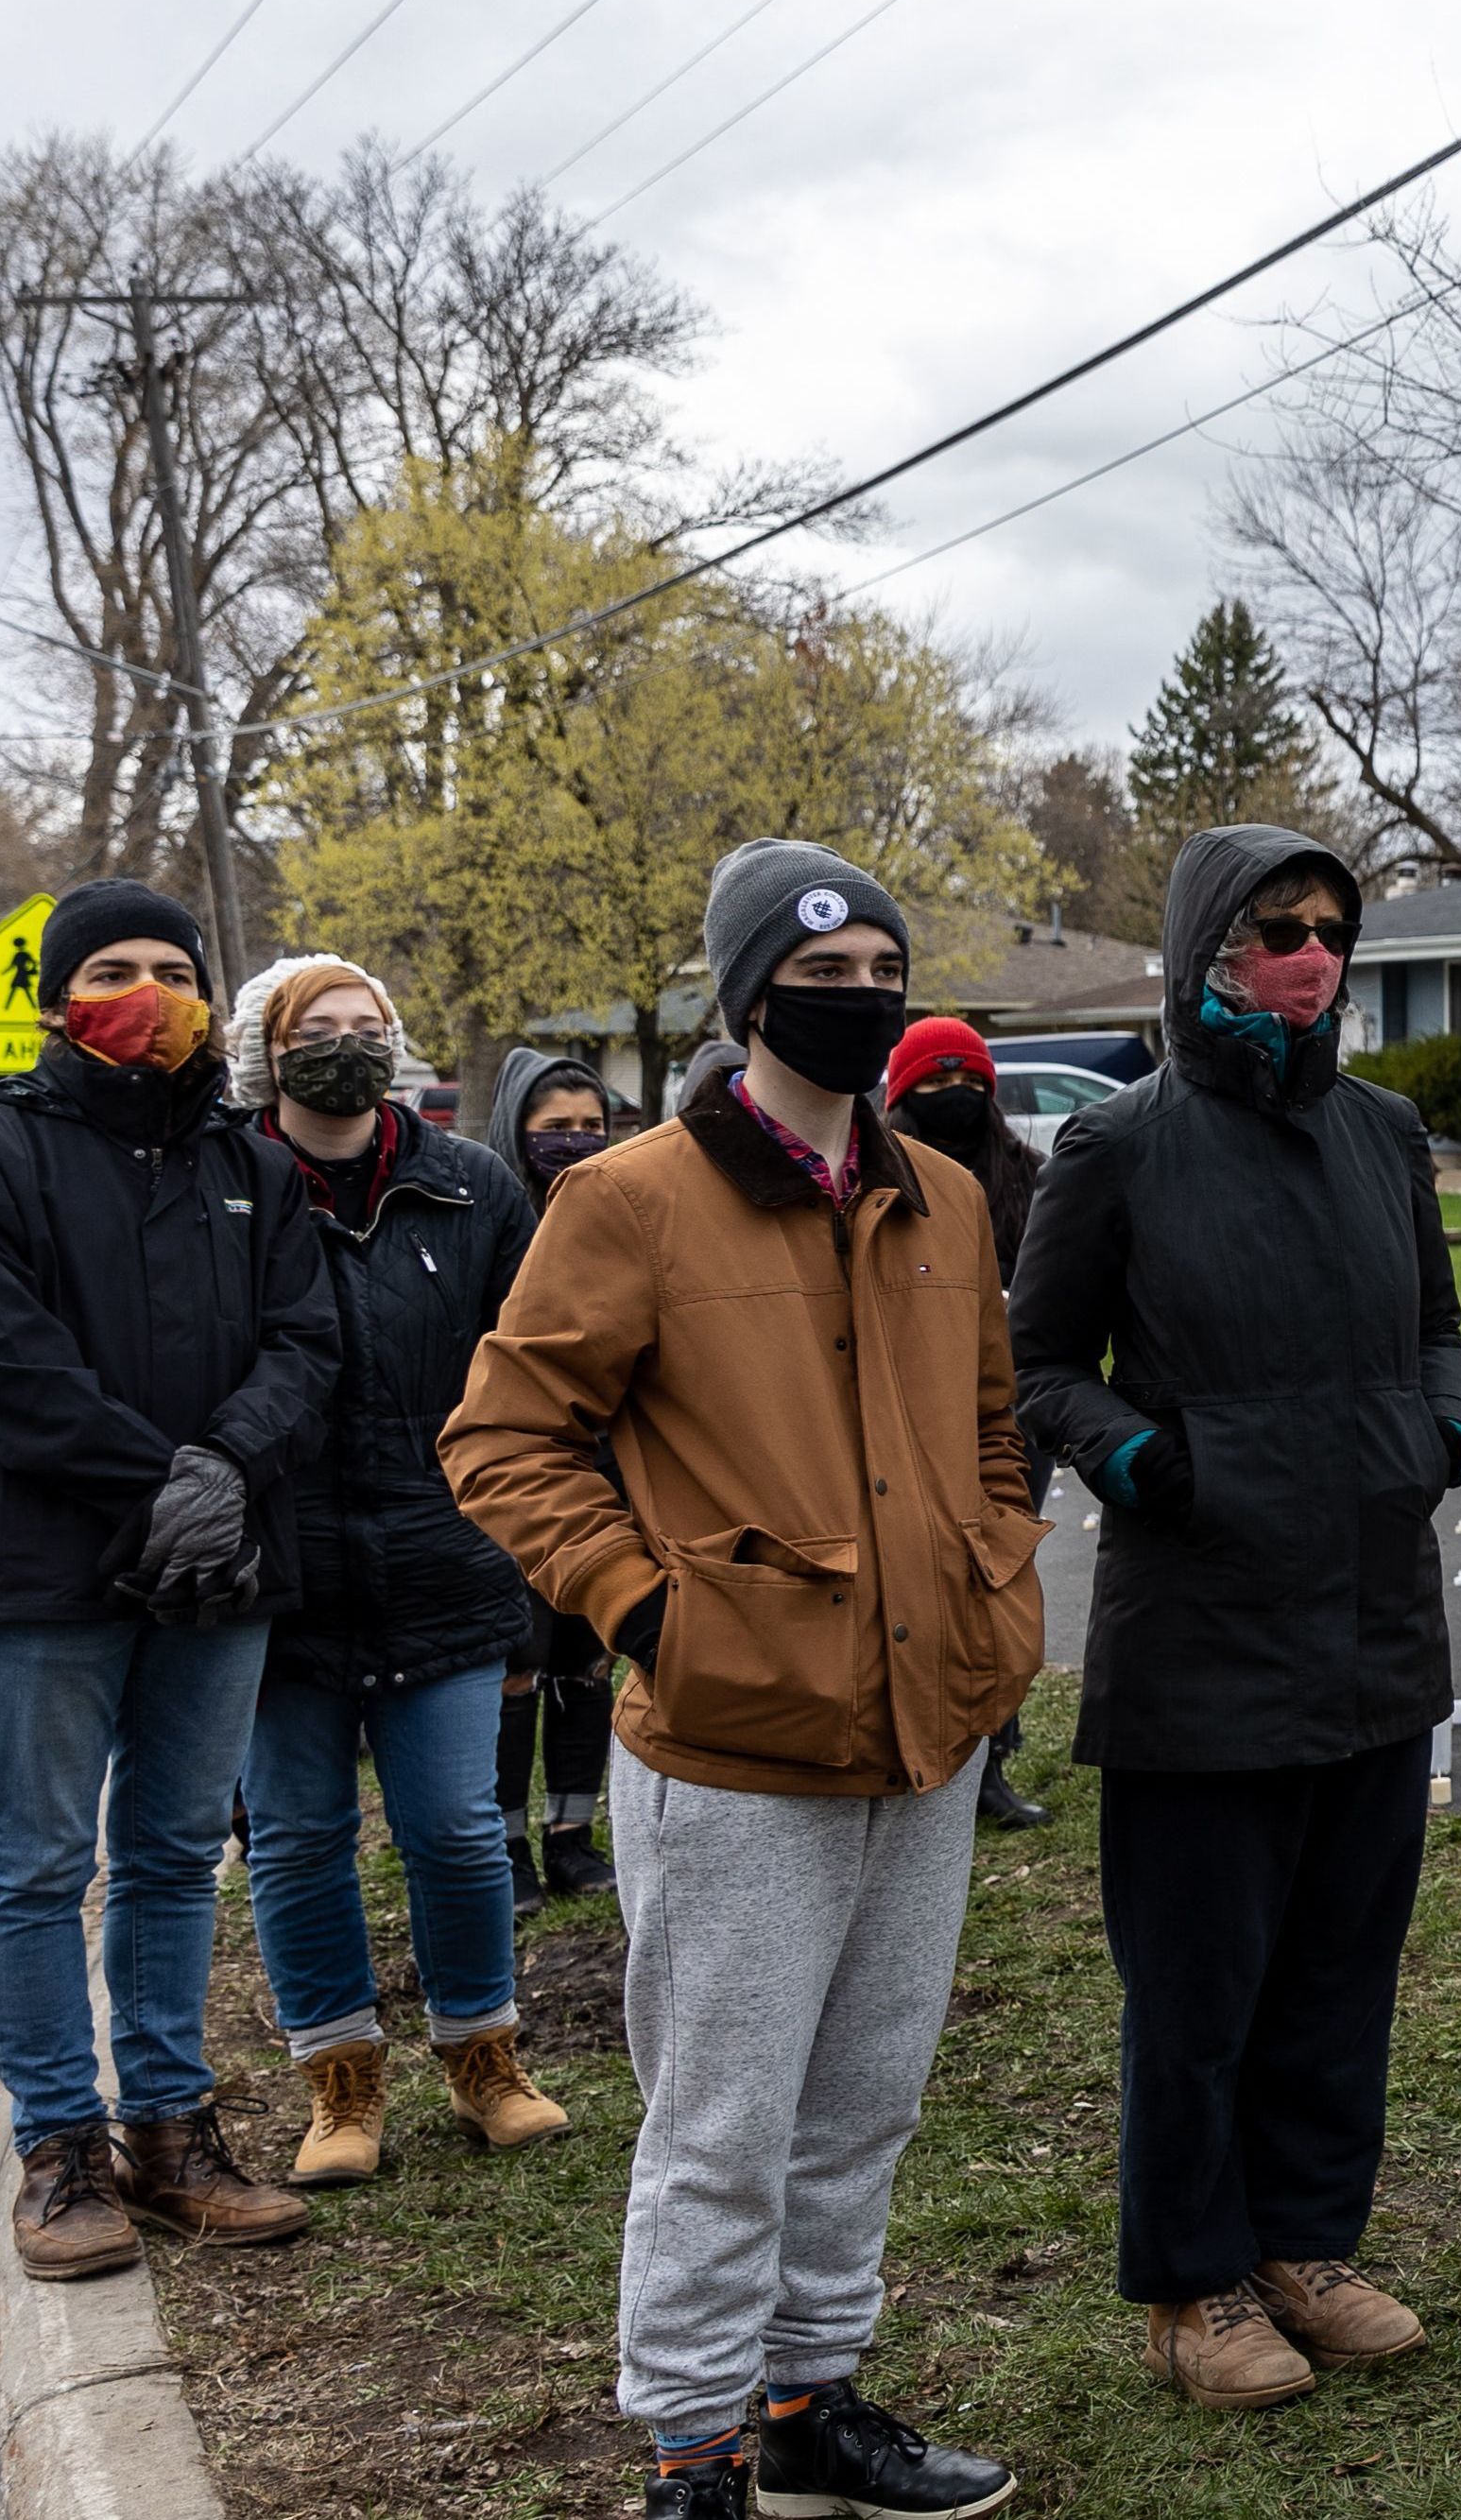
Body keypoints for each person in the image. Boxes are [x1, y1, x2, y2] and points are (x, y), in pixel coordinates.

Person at [446, 843, 1040, 2520]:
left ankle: (807, 2398)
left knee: (864, 2102)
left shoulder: (947, 1194)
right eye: (822, 971)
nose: (860, 997)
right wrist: (647, 1608)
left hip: (925, 1726)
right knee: (720, 2123)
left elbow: (992, 1426)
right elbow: (503, 1436)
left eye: (883, 971)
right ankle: (692, 2448)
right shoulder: (629, 1199)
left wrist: (995, 1571)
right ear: (746, 992)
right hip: (731, 1744)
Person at [1009, 827, 1461, 2412]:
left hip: (1372, 1616)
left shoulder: (1385, 1132)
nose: (1311, 955)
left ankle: (1303, 2244)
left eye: (1332, 927)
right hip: (1202, 1627)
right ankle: (1190, 2282)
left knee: (1342, 1965)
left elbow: (1436, 1323)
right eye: (1278, 927)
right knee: (1200, 1986)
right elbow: (1039, 1365)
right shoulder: (1117, 1146)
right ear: (1208, 944)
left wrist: (1436, 1428)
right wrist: (1152, 1459)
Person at [0, 881, 337, 2278]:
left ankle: (168, 2133)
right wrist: (167, 1485)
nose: (147, 991)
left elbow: (306, 1345)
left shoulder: (253, 1163)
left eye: (172, 967)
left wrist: (226, 1467)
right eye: (112, 969)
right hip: (38, 1572)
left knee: (173, 1855)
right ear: (54, 1000)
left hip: (218, 1566)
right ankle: (60, 2152)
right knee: (39, 1863)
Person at [222, 957, 568, 2191]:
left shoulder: (473, 1185)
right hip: (276, 1579)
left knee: (460, 1832)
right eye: (318, 1028)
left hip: (444, 1559)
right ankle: (340, 2081)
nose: (348, 1045)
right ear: (266, 1054)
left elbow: (537, 1364)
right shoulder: (224, 1187)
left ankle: (484, 2055)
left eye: (367, 1025)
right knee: (297, 1838)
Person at [885, 1015, 1052, 1835]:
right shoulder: (880, 1175)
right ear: (901, 1093)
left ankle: (991, 1760)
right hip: (904, 1417)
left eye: (968, 1081)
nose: (952, 1094)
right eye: (934, 1081)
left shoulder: (1030, 1177)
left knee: (997, 1579)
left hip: (1008, 1415)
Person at [480, 1050, 622, 1898]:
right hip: (519, 1479)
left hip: (605, 1469)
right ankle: (507, 1847)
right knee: (517, 1664)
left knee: (587, 1658)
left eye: (590, 1127)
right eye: (555, 1128)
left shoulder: (616, 1214)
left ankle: (572, 1833)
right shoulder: (487, 1218)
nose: (575, 1141)